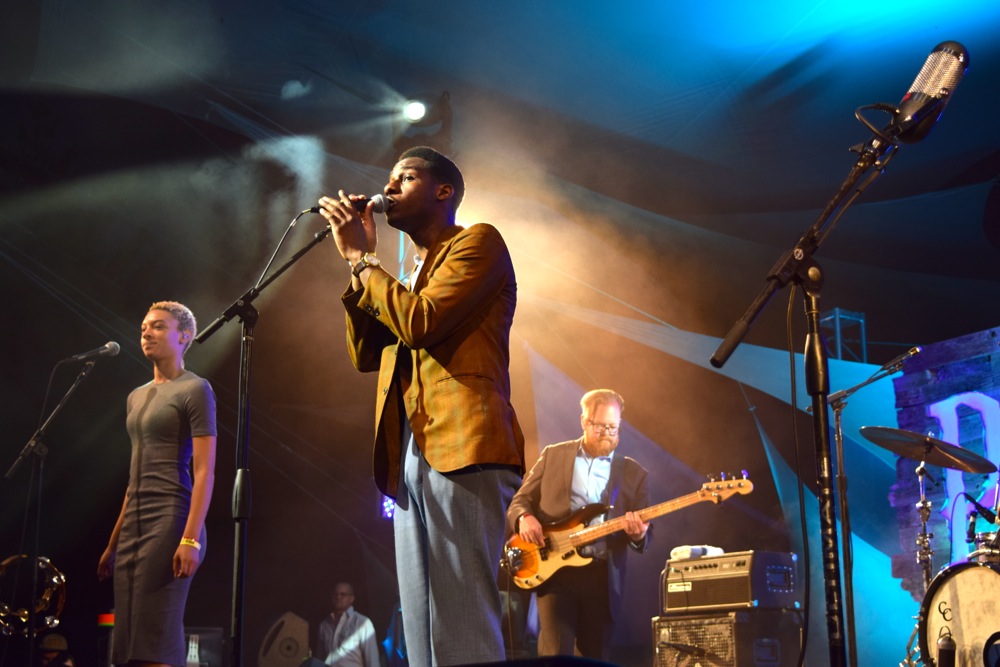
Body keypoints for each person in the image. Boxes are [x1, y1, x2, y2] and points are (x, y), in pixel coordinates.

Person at [316, 146, 525, 666]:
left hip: (467, 441)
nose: (388, 189)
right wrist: (362, 264)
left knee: (463, 612)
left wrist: (363, 262)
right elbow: (367, 353)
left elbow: (421, 323)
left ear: (443, 191)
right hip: (411, 448)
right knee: (422, 623)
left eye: (404, 178)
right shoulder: (410, 274)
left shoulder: (478, 242)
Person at [97, 301, 218, 667]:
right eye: (144, 327)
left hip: (170, 520)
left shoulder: (195, 389)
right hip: (133, 524)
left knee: (154, 643)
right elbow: (135, 477)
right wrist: (114, 541)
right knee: (127, 647)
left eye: (159, 327)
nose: (147, 332)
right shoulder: (136, 396)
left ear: (185, 336)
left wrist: (191, 538)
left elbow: (204, 472)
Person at [506, 389, 650, 660]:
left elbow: (645, 534)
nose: (608, 433)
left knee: (594, 659)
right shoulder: (553, 456)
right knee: (554, 657)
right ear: (584, 421)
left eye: (613, 427)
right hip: (556, 574)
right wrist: (524, 518)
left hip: (603, 578)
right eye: (601, 426)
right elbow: (519, 501)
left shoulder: (634, 473)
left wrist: (639, 534)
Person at [316, 582, 381, 667]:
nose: (338, 597)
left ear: (351, 598)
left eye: (343, 594)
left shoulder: (362, 623)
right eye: (335, 594)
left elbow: (372, 660)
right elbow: (320, 658)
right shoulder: (324, 625)